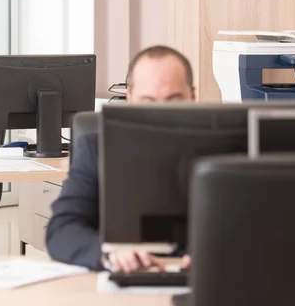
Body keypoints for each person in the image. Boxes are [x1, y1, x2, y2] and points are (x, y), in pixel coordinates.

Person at [45, 45, 195, 273]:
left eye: (173, 101)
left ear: (193, 97)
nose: (162, 114)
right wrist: (110, 254)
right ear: (131, 99)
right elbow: (62, 229)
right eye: (148, 102)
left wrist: (220, 255)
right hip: (125, 279)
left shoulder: (227, 151)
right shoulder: (97, 150)